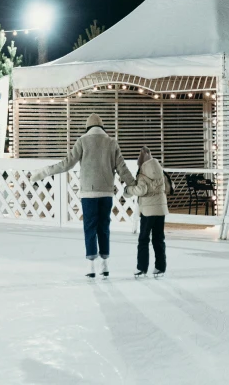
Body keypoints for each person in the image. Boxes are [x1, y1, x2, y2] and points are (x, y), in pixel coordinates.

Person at [31, 113, 135, 278]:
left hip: (88, 193)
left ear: (87, 127)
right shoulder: (111, 142)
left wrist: (44, 172)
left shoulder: (82, 141)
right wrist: (133, 185)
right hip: (106, 192)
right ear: (102, 127)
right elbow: (122, 168)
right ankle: (105, 264)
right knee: (104, 227)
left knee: (90, 228)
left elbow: (66, 164)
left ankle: (91, 266)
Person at [124, 146, 169, 278]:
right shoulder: (159, 170)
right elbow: (167, 186)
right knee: (158, 238)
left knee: (143, 239)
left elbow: (141, 190)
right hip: (160, 209)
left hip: (148, 211)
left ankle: (141, 268)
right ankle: (160, 267)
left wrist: (128, 190)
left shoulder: (143, 173)